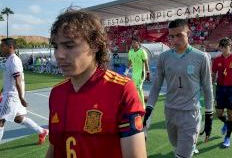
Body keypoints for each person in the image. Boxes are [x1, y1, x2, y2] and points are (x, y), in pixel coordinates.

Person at [46, 9, 146, 158]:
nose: (59, 55)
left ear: (95, 45)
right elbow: (55, 146)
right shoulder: (56, 93)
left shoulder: (121, 90)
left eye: (69, 45)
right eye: (56, 47)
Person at [143, 19, 214, 158]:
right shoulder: (164, 57)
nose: (175, 39)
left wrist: (209, 115)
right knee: (175, 145)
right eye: (172, 36)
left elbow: (207, 87)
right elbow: (156, 84)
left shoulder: (201, 57)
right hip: (170, 111)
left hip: (190, 114)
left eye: (179, 35)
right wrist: (149, 108)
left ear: (188, 33)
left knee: (182, 155)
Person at [0, 38, 48, 144]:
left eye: (3, 46)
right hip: (10, 94)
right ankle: (42, 131)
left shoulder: (14, 60)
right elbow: (10, 80)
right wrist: (2, 92)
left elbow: (18, 80)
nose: (1, 48)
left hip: (12, 95)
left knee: (1, 120)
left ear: (10, 47)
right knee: (18, 118)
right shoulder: (9, 60)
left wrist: (21, 98)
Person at [212, 37, 232, 148]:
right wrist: (210, 86)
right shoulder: (216, 60)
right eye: (222, 47)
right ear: (220, 48)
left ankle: (227, 137)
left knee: (231, 114)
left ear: (230, 47)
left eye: (227, 47)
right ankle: (225, 123)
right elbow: (213, 74)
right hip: (220, 88)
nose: (225, 49)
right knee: (219, 113)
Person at [126, 37, 150, 108]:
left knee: (139, 88)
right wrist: (126, 72)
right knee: (134, 89)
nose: (133, 44)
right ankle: (136, 103)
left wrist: (148, 73)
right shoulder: (130, 52)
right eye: (132, 42)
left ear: (138, 43)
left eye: (134, 42)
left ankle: (142, 106)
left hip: (141, 73)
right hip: (134, 74)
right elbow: (130, 62)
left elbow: (146, 62)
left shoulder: (142, 51)